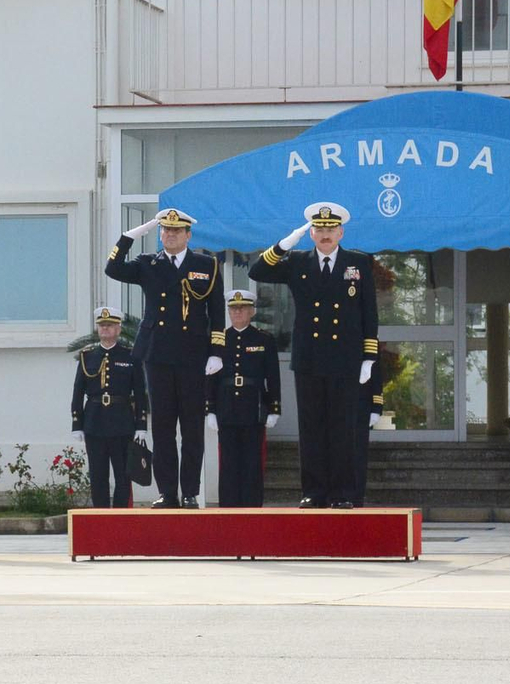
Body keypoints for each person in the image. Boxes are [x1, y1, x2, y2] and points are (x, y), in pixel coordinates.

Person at [248, 202, 378, 509]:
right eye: (319, 229)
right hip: (309, 357)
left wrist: (368, 356)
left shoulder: (358, 262)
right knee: (311, 428)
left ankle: (344, 493)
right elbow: (258, 270)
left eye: (330, 229)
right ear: (311, 234)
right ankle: (314, 491)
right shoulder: (297, 261)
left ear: (341, 232)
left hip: (345, 358)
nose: (325, 235)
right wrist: (284, 244)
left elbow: (368, 312)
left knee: (343, 428)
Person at [103, 207, 224, 508]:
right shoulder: (149, 264)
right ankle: (167, 492)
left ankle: (190, 491)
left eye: (175, 231)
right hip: (157, 353)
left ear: (187, 235)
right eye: (164, 230)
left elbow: (217, 311)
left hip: (193, 355)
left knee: (192, 428)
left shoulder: (206, 265)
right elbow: (113, 269)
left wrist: (217, 351)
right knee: (164, 428)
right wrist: (129, 237)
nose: (169, 235)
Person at [205, 290, 281, 508]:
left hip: (253, 407)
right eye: (233, 308)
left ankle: (252, 508)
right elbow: (211, 376)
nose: (237, 312)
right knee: (227, 462)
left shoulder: (263, 339)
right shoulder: (219, 339)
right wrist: (210, 409)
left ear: (251, 311)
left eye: (242, 308)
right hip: (226, 406)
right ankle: (228, 509)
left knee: (252, 462)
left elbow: (273, 376)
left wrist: (274, 408)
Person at [70, 307, 149, 509]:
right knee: (98, 475)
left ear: (119, 329)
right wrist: (76, 423)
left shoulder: (131, 356)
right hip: (94, 422)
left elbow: (140, 393)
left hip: (122, 422)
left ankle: (120, 517)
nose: (105, 329)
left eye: (110, 325)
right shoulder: (87, 357)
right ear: (97, 328)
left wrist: (141, 424)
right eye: (102, 325)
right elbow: (78, 391)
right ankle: (100, 516)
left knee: (123, 475)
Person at [355, 358, 384, 495]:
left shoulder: (366, 340)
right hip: (338, 405)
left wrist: (376, 407)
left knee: (358, 454)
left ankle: (356, 495)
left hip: (361, 404)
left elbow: (376, 373)